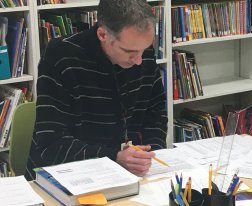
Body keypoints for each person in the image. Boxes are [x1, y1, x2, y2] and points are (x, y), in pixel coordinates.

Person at [26, 0, 167, 180]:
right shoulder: (61, 56)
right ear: (102, 34)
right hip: (66, 175)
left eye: (144, 49)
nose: (139, 60)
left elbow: (155, 116)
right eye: (129, 52)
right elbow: (51, 143)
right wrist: (114, 157)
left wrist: (149, 155)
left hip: (127, 174)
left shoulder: (140, 51)